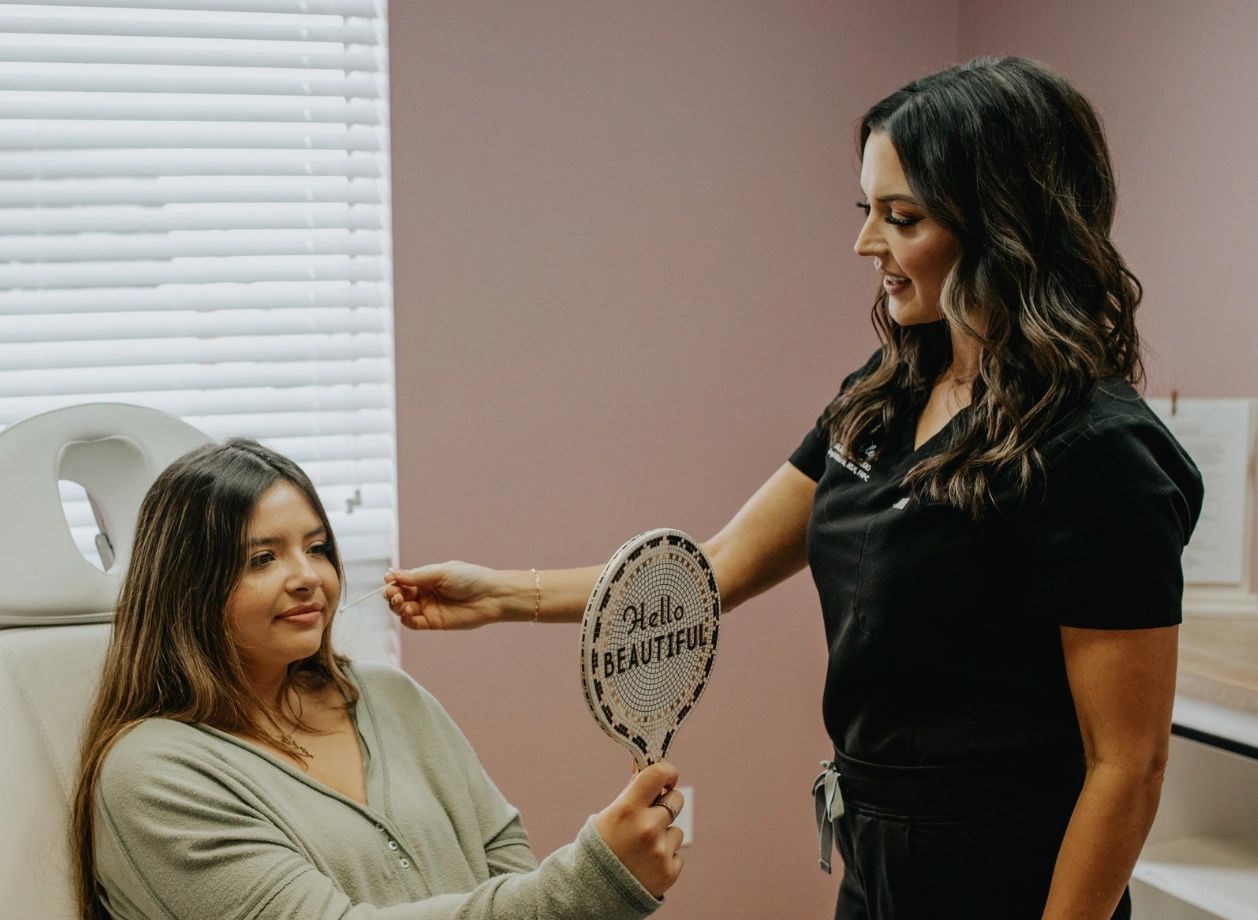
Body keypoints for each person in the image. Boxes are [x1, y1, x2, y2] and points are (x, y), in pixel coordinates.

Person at [384, 56, 1204, 920]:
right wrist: (501, 595)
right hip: (872, 855)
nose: (867, 244)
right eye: (867, 211)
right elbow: (715, 568)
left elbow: (1128, 765)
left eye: (903, 217)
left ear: (1005, 223)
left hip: (1008, 874)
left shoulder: (1096, 450)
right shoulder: (886, 396)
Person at [71, 439, 685, 920]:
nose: (307, 576)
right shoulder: (153, 777)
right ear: (187, 587)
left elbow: (504, 858)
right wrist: (596, 879)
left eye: (317, 548)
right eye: (262, 558)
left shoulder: (389, 696)